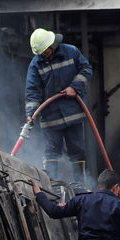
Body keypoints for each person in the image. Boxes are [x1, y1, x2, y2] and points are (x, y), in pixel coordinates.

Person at [25, 28, 93, 187]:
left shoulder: (71, 52)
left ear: (52, 45)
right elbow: (32, 91)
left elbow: (86, 69)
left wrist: (74, 87)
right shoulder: (36, 64)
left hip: (73, 113)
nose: (43, 55)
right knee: (51, 153)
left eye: (45, 52)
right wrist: (31, 113)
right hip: (50, 117)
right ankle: (52, 188)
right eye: (40, 53)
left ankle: (79, 187)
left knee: (77, 151)